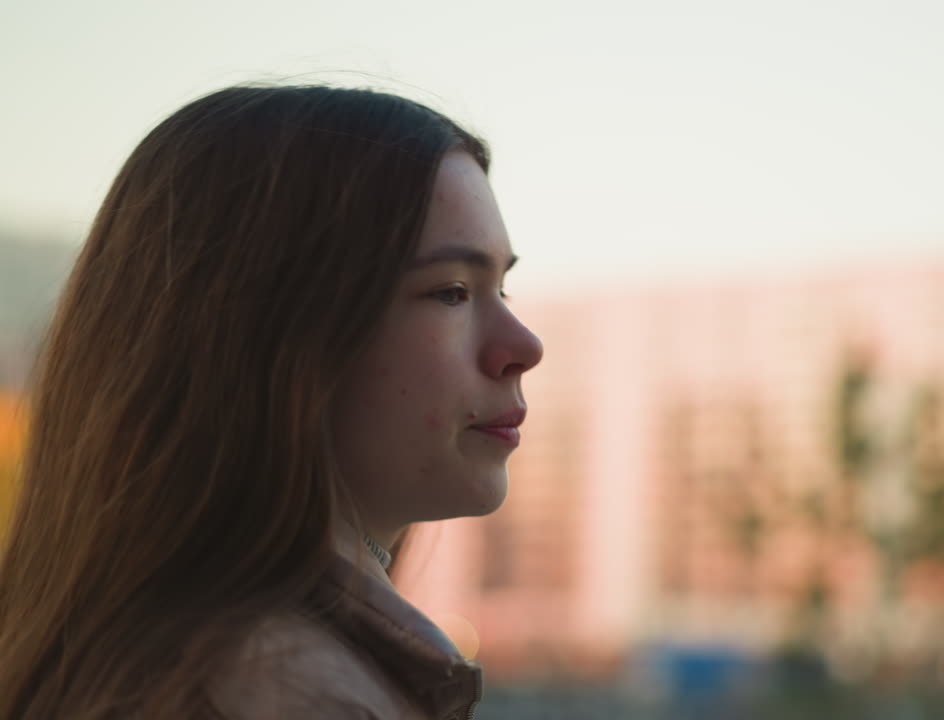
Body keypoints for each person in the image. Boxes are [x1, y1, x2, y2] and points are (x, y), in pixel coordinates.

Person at [0, 83, 543, 718]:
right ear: (269, 326)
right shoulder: (290, 694)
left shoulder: (142, 653)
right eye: (451, 290)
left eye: (501, 288)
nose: (522, 345)